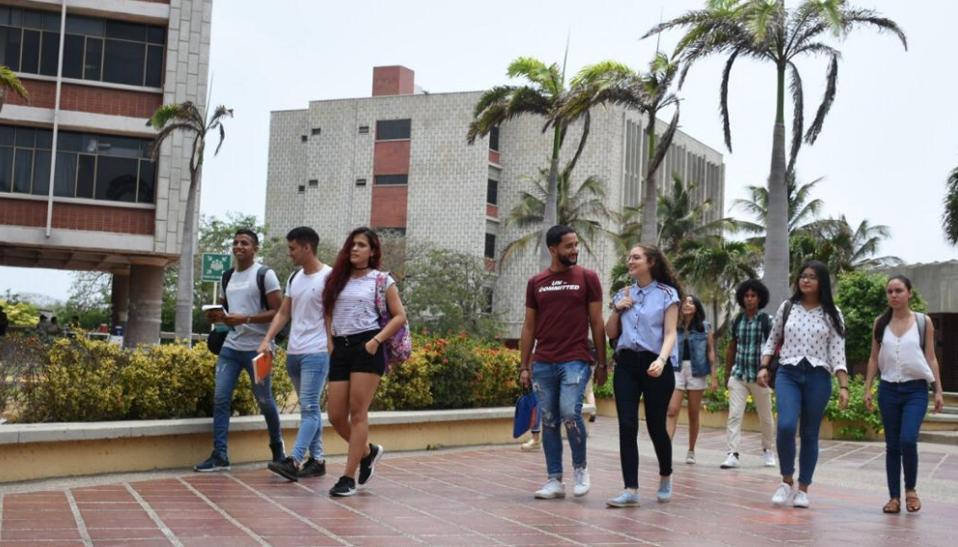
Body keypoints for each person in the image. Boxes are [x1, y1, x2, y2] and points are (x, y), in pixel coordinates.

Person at [520, 225, 607, 500]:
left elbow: (596, 321)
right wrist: (524, 365)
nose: (575, 250)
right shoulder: (537, 282)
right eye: (569, 246)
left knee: (570, 412)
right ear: (553, 249)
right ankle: (554, 480)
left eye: (576, 244)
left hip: (576, 359)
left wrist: (603, 363)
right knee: (548, 420)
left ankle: (580, 468)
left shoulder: (588, 278)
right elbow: (529, 326)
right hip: (544, 361)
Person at [322, 227, 407, 497]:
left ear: (372, 251)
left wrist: (375, 342)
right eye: (352, 245)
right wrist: (330, 341)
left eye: (361, 245)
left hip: (367, 347)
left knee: (358, 414)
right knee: (335, 416)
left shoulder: (381, 280)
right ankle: (368, 452)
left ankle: (347, 477)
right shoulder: (338, 279)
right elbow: (328, 311)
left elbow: (399, 316)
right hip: (341, 348)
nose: (355, 249)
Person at [759, 260, 849, 508]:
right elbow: (772, 339)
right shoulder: (788, 307)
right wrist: (764, 367)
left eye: (812, 276)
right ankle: (786, 480)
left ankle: (803, 488)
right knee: (786, 426)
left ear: (822, 282)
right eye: (802, 276)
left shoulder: (833, 314)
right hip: (788, 372)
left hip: (818, 376)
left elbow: (838, 354)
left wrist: (843, 387)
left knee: (810, 433)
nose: (805, 280)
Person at [194, 229, 284, 472]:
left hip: (259, 350)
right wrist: (218, 316)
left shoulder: (265, 274)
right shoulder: (227, 276)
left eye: (245, 243)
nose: (238, 246)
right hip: (231, 349)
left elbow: (279, 311)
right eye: (235, 243)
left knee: (265, 400)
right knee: (221, 399)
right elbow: (228, 309)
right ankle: (220, 455)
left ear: (255, 248)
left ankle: (278, 450)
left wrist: (246, 318)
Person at [605, 243, 681, 507]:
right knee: (627, 425)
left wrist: (662, 360)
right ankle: (630, 489)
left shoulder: (667, 294)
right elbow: (611, 333)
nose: (630, 261)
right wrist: (618, 309)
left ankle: (665, 474)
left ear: (650, 262)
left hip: (655, 364)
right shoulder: (622, 293)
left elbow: (671, 333)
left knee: (655, 426)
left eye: (636, 257)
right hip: (626, 364)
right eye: (629, 257)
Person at [864, 275, 945, 514]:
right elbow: (873, 357)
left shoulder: (923, 322)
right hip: (888, 389)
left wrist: (938, 390)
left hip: (915, 390)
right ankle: (894, 497)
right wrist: (868, 388)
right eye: (889, 291)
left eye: (898, 290)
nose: (894, 295)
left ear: (909, 293)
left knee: (908, 440)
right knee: (892, 445)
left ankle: (910, 489)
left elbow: (931, 357)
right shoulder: (880, 323)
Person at [259, 227, 333, 482]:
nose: (289, 253)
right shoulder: (294, 277)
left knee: (310, 407)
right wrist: (267, 339)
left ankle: (294, 460)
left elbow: (333, 317)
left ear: (306, 248)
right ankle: (318, 460)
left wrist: (333, 349)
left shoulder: (329, 277)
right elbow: (283, 313)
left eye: (292, 248)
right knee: (309, 409)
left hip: (317, 352)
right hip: (294, 352)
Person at [721, 279, 777, 469]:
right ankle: (732, 453)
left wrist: (768, 370)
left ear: (759, 298)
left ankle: (768, 450)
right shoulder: (737, 320)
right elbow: (731, 347)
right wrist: (727, 373)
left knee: (766, 417)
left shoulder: (766, 320)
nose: (749, 299)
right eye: (746, 296)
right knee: (734, 415)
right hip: (739, 375)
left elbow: (773, 347)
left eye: (753, 296)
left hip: (760, 377)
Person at [666, 294, 718, 465]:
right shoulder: (675, 325)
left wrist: (714, 376)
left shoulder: (704, 327)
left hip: (697, 372)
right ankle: (665, 448)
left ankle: (691, 450)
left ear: (696, 307)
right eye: (684, 302)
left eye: (691, 302)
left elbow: (710, 351)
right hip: (677, 370)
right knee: (672, 410)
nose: (687, 305)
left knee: (693, 413)